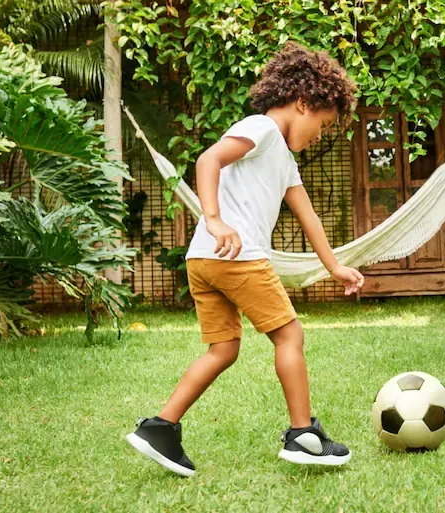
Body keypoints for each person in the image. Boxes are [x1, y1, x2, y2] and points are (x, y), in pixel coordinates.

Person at [125, 43, 364, 476]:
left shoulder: (283, 159)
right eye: (323, 125)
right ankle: (302, 436)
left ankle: (160, 428)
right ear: (302, 103)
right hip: (235, 256)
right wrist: (213, 218)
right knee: (289, 336)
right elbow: (209, 158)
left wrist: (334, 266)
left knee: (223, 349)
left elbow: (307, 215)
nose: (320, 135)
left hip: (205, 260)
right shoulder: (264, 129)